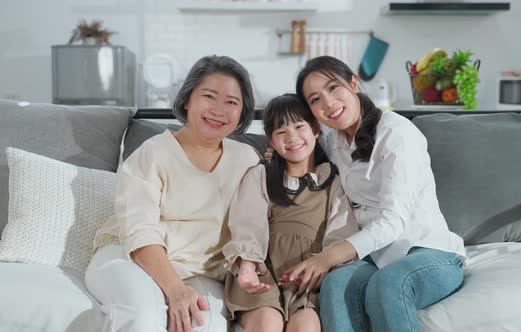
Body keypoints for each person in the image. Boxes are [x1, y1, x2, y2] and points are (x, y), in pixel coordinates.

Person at [279, 55, 467, 332]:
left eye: (333, 88)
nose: (328, 103)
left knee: (389, 283)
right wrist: (279, 154)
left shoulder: (397, 134)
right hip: (378, 257)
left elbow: (393, 221)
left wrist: (326, 258)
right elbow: (302, 154)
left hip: (429, 252)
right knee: (335, 283)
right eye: (315, 99)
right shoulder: (333, 140)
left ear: (354, 83)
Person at [84, 55, 260, 332]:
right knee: (144, 317)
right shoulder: (152, 153)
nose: (218, 110)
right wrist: (175, 290)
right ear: (188, 99)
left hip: (200, 271)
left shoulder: (247, 159)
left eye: (232, 102)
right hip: (130, 258)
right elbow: (139, 229)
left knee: (207, 325)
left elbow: (259, 219)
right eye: (209, 96)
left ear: (242, 112)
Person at [222, 94, 358, 332]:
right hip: (261, 272)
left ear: (315, 130)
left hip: (307, 278)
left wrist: (323, 269)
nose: (292, 137)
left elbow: (341, 232)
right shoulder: (260, 175)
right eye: (281, 132)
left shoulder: (333, 180)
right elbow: (247, 223)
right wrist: (247, 267)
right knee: (267, 323)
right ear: (272, 142)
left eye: (299, 126)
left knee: (306, 326)